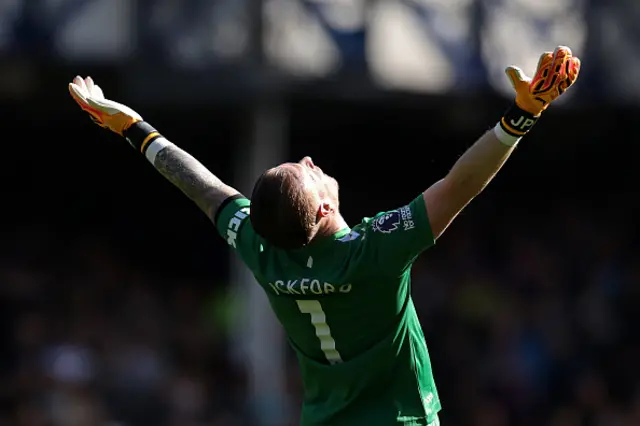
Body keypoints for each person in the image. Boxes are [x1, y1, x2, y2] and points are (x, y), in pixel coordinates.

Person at [68, 46, 580, 426]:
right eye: (305, 169)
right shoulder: (374, 251)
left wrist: (133, 129)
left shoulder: (261, 248)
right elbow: (462, 184)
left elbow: (201, 187)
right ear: (323, 205)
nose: (310, 160)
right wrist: (521, 116)